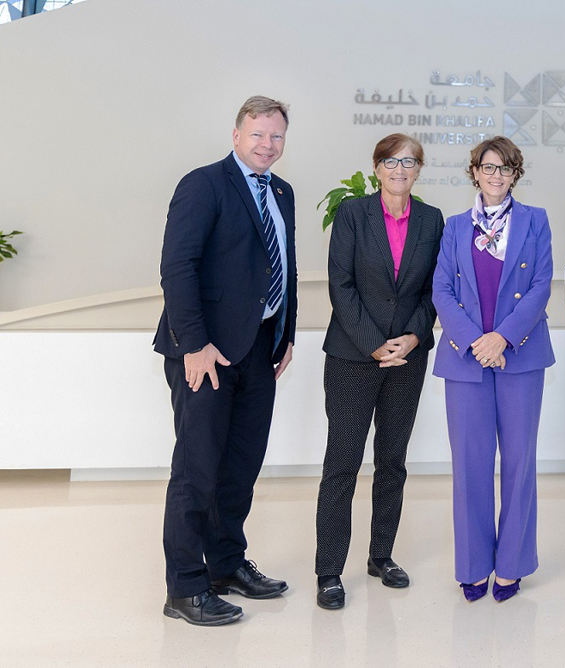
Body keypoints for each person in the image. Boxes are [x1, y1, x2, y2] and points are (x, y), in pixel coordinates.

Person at [154, 95, 297, 626]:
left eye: (277, 136)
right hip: (206, 352)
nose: (267, 144)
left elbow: (282, 266)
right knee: (197, 471)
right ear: (237, 135)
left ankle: (226, 565)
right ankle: (185, 587)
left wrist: (283, 338)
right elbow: (177, 267)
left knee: (240, 468)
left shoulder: (280, 191)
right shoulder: (203, 183)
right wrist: (194, 344)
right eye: (258, 134)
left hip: (259, 351)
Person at [315, 133, 444, 610]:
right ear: (376, 167)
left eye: (408, 161)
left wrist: (412, 336)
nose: (399, 168)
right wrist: (374, 345)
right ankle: (329, 569)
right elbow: (340, 284)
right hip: (353, 357)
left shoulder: (432, 221)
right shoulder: (352, 215)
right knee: (342, 465)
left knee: (392, 462)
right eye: (391, 161)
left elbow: (435, 286)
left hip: (407, 359)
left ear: (419, 169)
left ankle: (380, 556)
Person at [433, 136, 555, 603]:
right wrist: (476, 342)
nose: (496, 175)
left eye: (506, 168)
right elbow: (442, 289)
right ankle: (473, 565)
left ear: (515, 174)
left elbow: (542, 284)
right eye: (489, 167)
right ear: (475, 172)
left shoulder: (535, 221)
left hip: (519, 355)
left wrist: (502, 338)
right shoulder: (455, 226)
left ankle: (512, 565)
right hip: (466, 359)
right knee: (470, 466)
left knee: (520, 462)